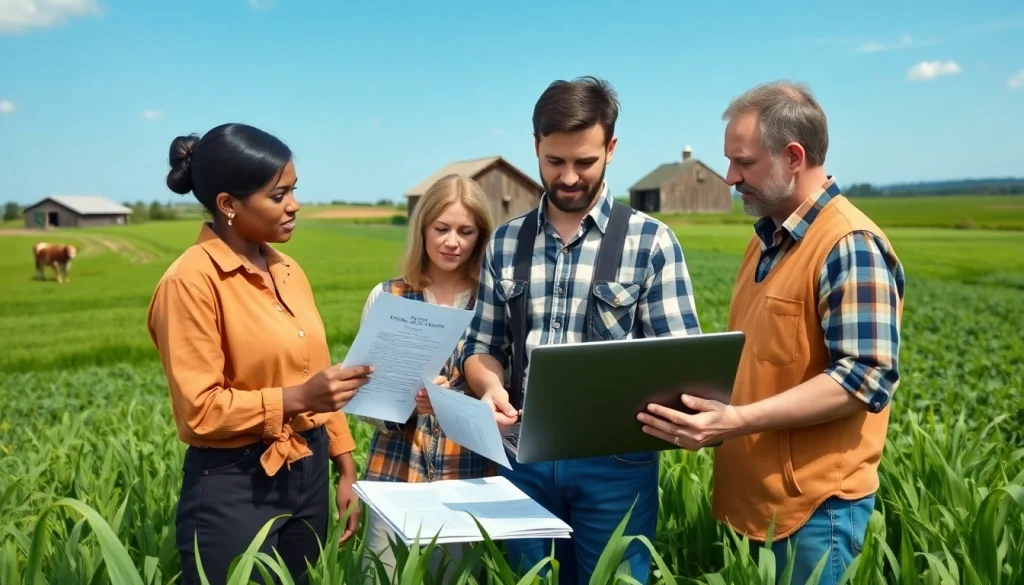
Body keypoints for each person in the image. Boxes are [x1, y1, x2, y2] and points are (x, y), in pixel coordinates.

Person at [637, 80, 906, 585]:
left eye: (744, 162)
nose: (730, 177)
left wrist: (735, 420)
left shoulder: (849, 244)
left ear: (794, 156)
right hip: (754, 504)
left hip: (814, 513)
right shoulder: (764, 241)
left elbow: (863, 379)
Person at [459, 76, 703, 584]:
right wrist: (489, 387)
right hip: (520, 455)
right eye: (555, 161)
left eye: (585, 162)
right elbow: (482, 347)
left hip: (616, 465)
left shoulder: (651, 242)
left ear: (611, 149)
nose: (568, 177)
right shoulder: (505, 243)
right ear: (535, 148)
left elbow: (682, 364)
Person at [147, 123, 372, 585]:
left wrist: (344, 467)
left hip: (308, 469)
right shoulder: (190, 282)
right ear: (228, 205)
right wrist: (298, 397)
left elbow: (319, 376)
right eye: (278, 195)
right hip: (235, 483)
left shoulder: (288, 269)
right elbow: (200, 411)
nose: (294, 206)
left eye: (294, 191)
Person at [356, 174, 497, 580]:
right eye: (442, 229)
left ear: (480, 236)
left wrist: (454, 401)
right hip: (394, 473)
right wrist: (405, 401)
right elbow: (365, 398)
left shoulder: (492, 301)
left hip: (469, 478)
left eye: (465, 231)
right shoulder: (388, 297)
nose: (453, 241)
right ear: (422, 231)